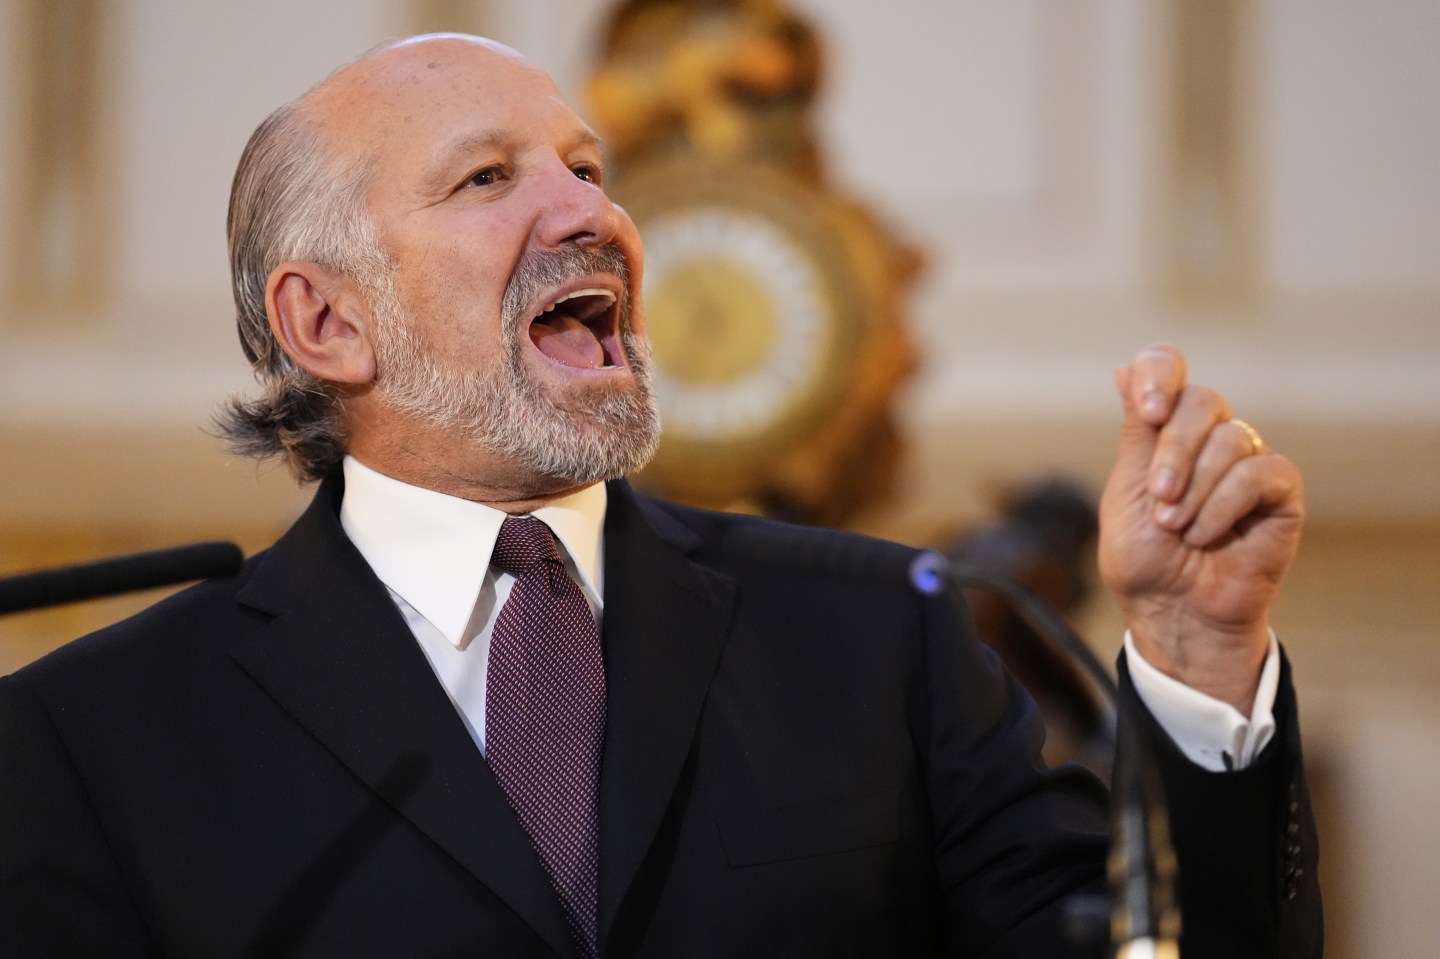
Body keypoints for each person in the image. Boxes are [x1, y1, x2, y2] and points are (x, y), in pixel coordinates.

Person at [0, 34, 1320, 958]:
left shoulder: (876, 637)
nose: (590, 213)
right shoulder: (89, 741)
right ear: (328, 321)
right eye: (487, 177)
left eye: (588, 169)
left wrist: (1201, 660)